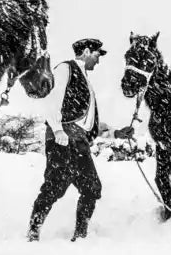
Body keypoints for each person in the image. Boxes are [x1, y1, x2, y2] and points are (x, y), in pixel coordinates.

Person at [28, 37, 111, 241]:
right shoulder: (66, 68)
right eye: (97, 54)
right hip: (62, 138)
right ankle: (33, 231)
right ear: (86, 51)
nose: (98, 60)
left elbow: (86, 122)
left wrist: (116, 133)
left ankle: (80, 235)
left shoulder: (85, 79)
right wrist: (57, 130)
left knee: (91, 188)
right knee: (54, 185)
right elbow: (51, 99)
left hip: (79, 140)